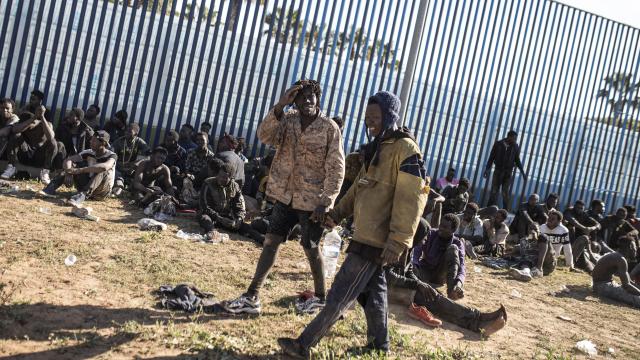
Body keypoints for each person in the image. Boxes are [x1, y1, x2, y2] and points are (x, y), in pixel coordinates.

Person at [277, 90, 426, 357]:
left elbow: (411, 199)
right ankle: (379, 345)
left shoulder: (406, 150)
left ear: (390, 116)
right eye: (367, 117)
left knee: (340, 294)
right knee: (374, 293)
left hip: (377, 240)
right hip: (364, 234)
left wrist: (398, 240)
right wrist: (336, 214)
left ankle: (304, 344)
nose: (370, 122)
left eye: (376, 117)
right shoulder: (378, 148)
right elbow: (359, 188)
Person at [223, 79, 344, 317]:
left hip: (312, 202)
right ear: (294, 100)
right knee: (270, 242)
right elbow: (264, 136)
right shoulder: (286, 120)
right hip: (284, 196)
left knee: (310, 248)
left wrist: (326, 201)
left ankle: (321, 299)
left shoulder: (329, 128)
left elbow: (337, 168)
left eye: (312, 96)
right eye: (301, 97)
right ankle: (252, 296)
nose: (307, 100)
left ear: (318, 98)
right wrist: (279, 106)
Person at [387, 219, 507, 336]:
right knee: (435, 300)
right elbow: (388, 276)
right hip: (391, 289)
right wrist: (417, 284)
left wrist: (419, 283)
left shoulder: (410, 249)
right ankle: (478, 323)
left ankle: (478, 316)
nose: (424, 241)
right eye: (423, 237)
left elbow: (408, 272)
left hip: (409, 283)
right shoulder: (397, 249)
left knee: (433, 294)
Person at [39, 131, 117, 206]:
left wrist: (81, 170)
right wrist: (68, 172)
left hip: (101, 192)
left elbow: (105, 167)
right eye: (91, 140)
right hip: (87, 185)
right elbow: (69, 160)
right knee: (72, 167)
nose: (91, 142)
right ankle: (50, 189)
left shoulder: (112, 156)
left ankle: (81, 196)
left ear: (103, 143)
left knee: (102, 171)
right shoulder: (89, 152)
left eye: (94, 141)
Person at [1, 105, 61, 184]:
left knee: (55, 143)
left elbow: (51, 137)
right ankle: (11, 167)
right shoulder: (27, 122)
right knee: (15, 135)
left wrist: (42, 117)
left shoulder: (47, 124)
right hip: (24, 155)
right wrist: (32, 118)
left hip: (39, 157)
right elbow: (15, 130)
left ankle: (45, 172)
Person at [413, 213, 467, 300]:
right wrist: (415, 266)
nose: (441, 229)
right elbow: (416, 251)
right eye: (440, 225)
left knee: (453, 248)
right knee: (411, 269)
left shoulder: (458, 243)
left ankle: (452, 291)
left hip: (441, 275)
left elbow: (462, 267)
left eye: (445, 227)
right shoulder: (431, 233)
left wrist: (459, 283)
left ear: (453, 230)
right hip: (425, 270)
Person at [198, 158, 246, 239]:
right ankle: (212, 232)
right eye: (219, 175)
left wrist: (239, 218)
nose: (220, 178)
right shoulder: (208, 183)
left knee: (245, 227)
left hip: (226, 217)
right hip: (211, 216)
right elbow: (204, 206)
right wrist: (219, 218)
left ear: (231, 178)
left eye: (224, 177)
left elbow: (240, 205)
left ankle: (261, 239)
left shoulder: (235, 187)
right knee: (205, 219)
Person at [484, 130, 527, 210]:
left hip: (508, 173)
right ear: (509, 137)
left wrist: (523, 172)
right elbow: (491, 157)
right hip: (498, 171)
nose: (515, 140)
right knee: (494, 191)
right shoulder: (498, 144)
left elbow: (517, 160)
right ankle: (488, 209)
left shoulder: (515, 146)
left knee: (505, 192)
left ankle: (505, 210)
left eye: (515, 139)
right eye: (514, 138)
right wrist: (487, 169)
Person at [111, 123, 149, 195]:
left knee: (141, 176)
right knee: (118, 180)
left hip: (131, 170)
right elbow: (111, 154)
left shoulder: (139, 142)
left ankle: (128, 188)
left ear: (136, 134)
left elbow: (149, 156)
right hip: (119, 168)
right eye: (126, 131)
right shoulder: (119, 141)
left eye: (129, 131)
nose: (126, 133)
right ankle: (120, 186)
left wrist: (137, 163)